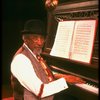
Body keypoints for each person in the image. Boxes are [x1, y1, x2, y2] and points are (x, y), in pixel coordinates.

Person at [10, 19, 68, 100]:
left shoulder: (34, 53)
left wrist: (58, 76)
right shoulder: (21, 60)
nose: (40, 42)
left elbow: (41, 75)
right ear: (25, 39)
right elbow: (40, 91)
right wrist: (65, 80)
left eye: (42, 38)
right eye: (35, 38)